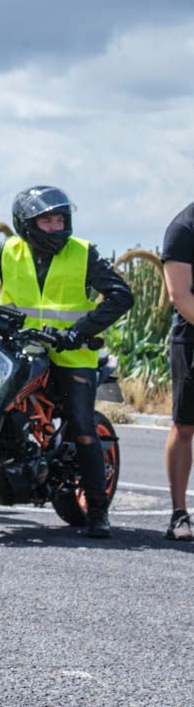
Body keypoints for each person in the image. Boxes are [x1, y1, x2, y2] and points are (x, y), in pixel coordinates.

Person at [0, 186, 132, 538]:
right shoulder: (7, 250)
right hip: (16, 346)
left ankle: (98, 510)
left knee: (82, 425)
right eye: (47, 221)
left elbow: (121, 296)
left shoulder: (83, 254)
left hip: (69, 352)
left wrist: (79, 331)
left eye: (60, 220)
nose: (56, 227)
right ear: (25, 224)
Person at [160, 202, 194, 541]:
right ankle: (179, 514)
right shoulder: (184, 227)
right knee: (185, 425)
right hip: (191, 337)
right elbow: (180, 295)